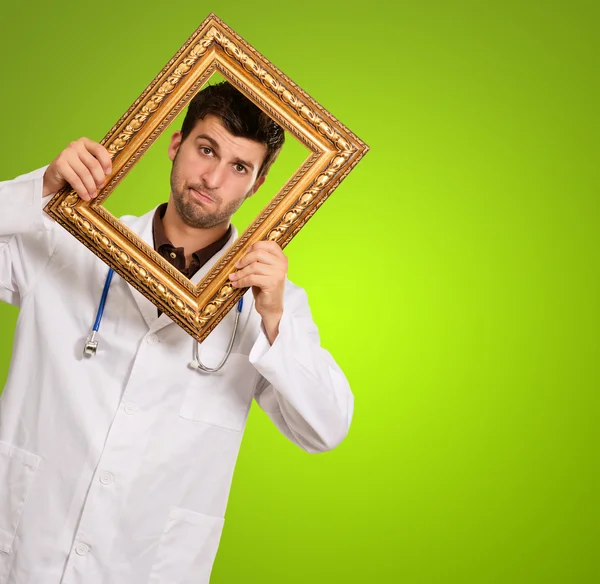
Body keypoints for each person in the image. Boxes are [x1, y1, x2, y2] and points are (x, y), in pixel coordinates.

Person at [0, 82, 353, 584]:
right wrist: (40, 191)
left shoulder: (268, 304)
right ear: (175, 144)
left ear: (258, 184)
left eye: (239, 167)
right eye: (206, 149)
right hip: (23, 550)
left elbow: (325, 429)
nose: (212, 178)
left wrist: (274, 319)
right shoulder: (66, 238)